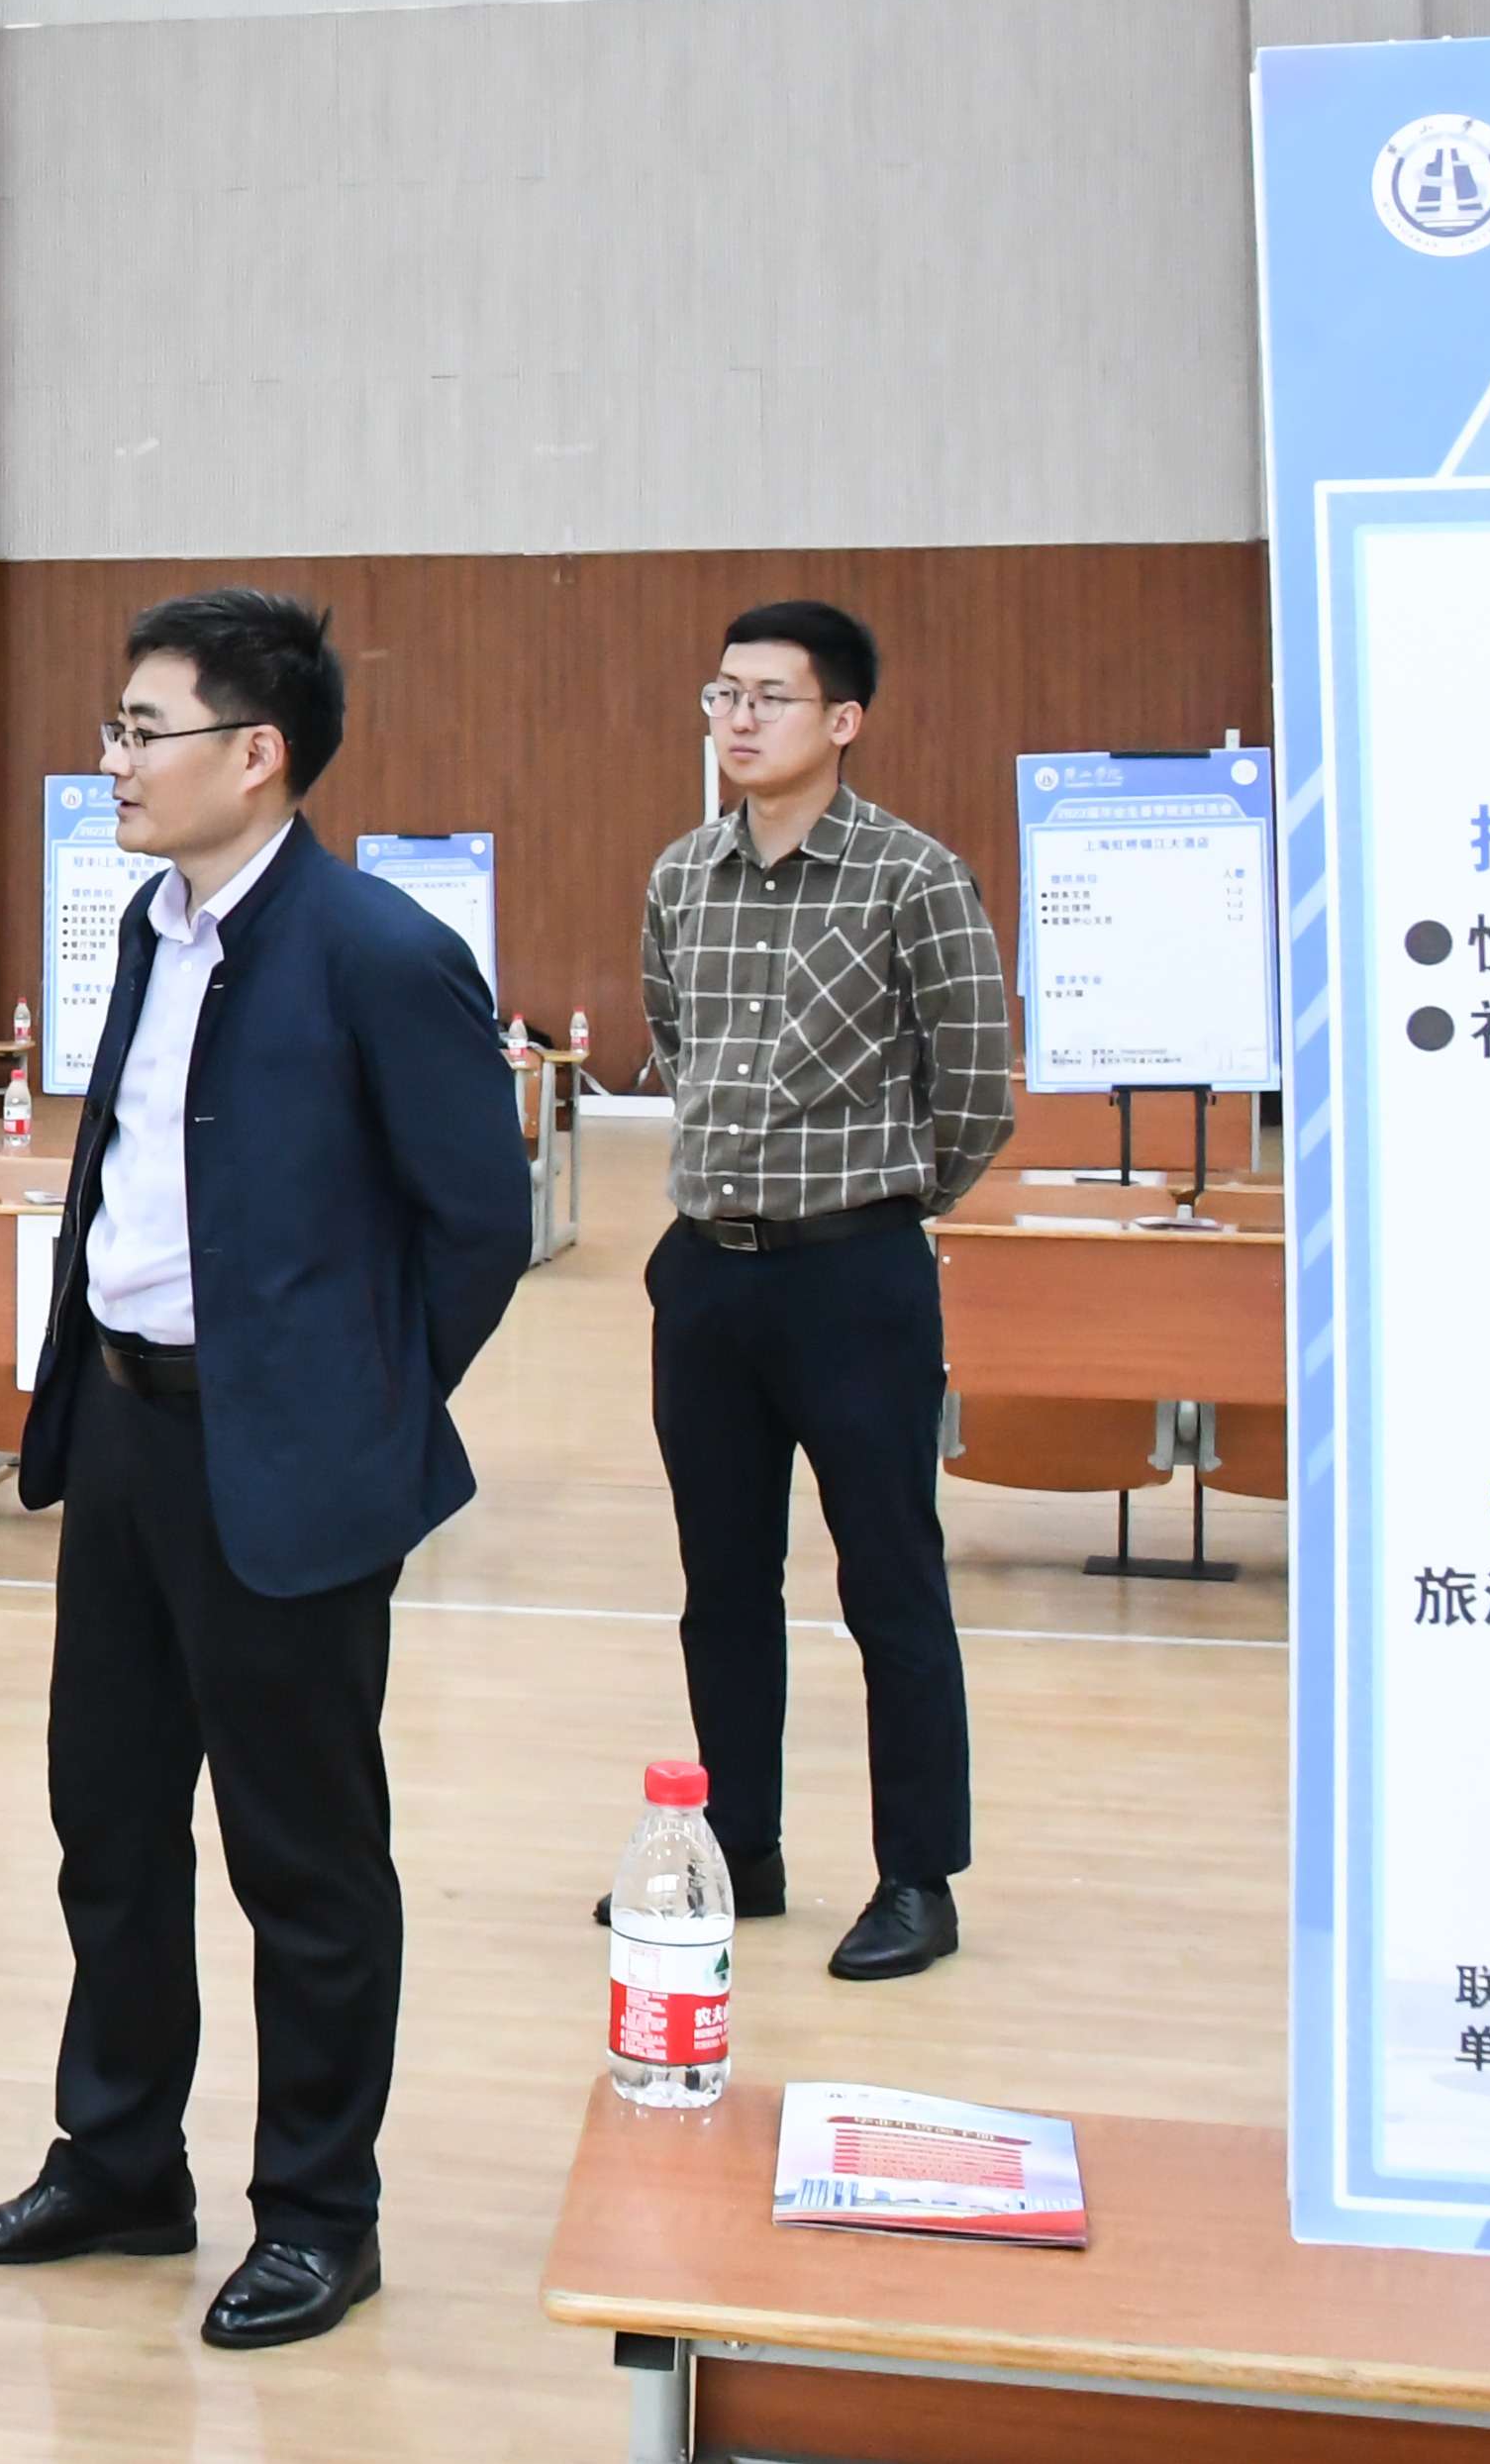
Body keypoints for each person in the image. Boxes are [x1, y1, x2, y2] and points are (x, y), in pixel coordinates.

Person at [0, 589, 532, 2354]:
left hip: (287, 1458)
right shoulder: (153, 927)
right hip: (126, 1434)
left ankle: (320, 2211)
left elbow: (478, 1227)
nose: (114, 761)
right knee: (110, 1822)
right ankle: (121, 2161)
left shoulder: (378, 951)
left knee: (305, 1857)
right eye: (115, 728)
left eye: (145, 728)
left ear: (257, 753)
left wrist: (356, 1408)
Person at [629, 598, 1013, 1984]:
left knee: (889, 1579)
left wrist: (882, 1208)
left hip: (856, 1275)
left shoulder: (913, 877)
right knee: (721, 1583)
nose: (737, 720)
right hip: (708, 1277)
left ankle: (918, 1876)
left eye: (769, 698)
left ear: (842, 720)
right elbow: (676, 1040)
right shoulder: (684, 874)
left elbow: (975, 1087)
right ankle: (740, 1848)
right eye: (722, 694)